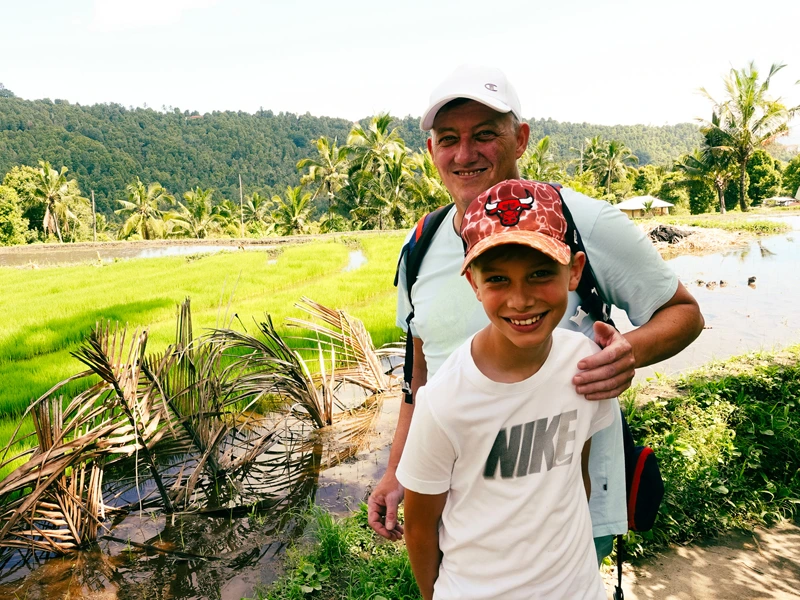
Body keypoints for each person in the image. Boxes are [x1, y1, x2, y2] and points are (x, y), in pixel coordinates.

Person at [367, 65, 704, 562]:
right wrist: (398, 468)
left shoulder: (583, 222)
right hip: (463, 508)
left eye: (484, 135)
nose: (464, 154)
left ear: (521, 138)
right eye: (447, 139)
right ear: (432, 151)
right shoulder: (418, 246)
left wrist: (628, 353)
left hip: (569, 504)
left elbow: (684, 312)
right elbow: (419, 373)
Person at [398, 179, 614, 599]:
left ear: (574, 271)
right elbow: (421, 527)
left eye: (540, 273)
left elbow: (576, 474)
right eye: (497, 279)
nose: (520, 300)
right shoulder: (445, 401)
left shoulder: (583, 362)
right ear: (473, 284)